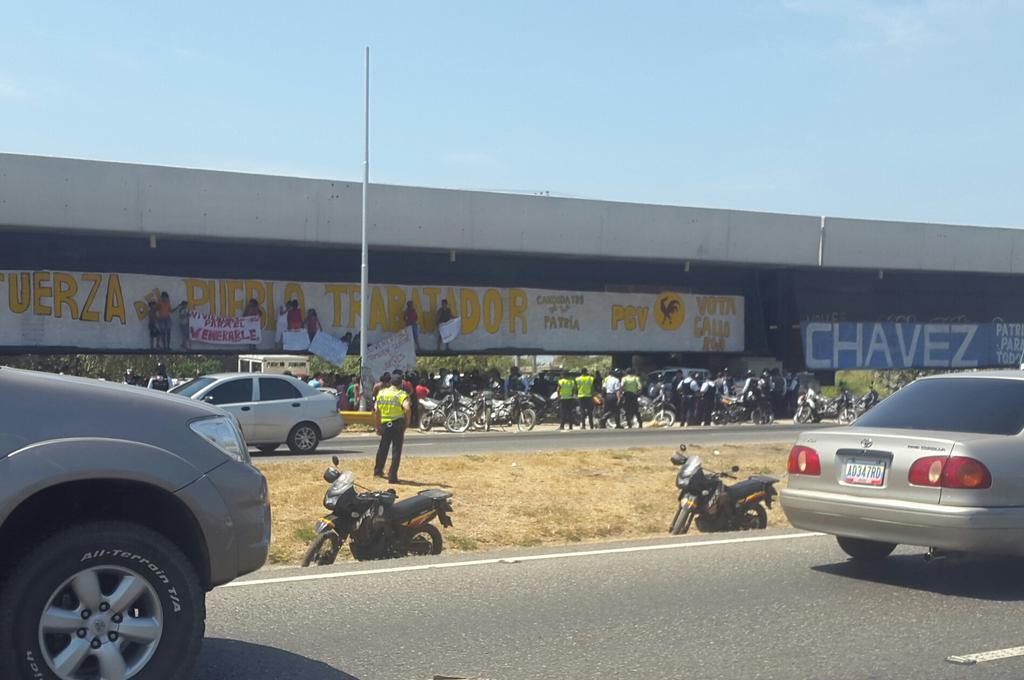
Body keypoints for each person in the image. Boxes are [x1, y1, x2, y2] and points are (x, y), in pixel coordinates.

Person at [373, 372, 411, 483]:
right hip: (397, 425)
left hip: (385, 424)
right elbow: (407, 408)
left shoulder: (382, 393)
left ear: (390, 382)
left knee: (383, 448)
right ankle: (392, 476)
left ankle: (378, 471)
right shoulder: (401, 394)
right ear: (401, 384)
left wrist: (377, 426)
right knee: (396, 450)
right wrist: (407, 423)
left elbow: (377, 411)